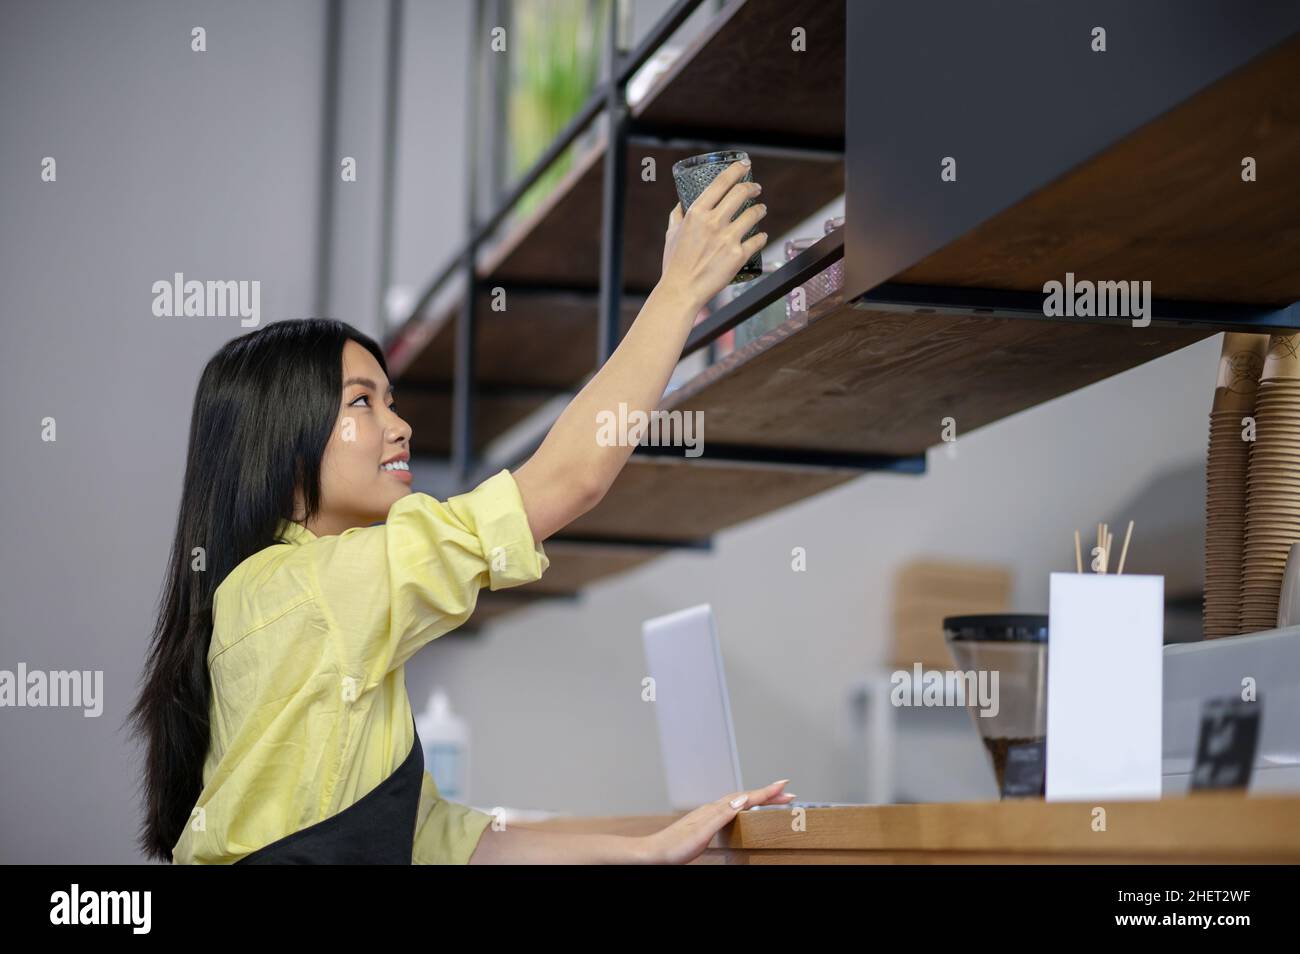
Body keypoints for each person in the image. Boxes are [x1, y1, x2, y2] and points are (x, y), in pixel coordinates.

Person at [130, 158, 794, 864]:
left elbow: (455, 844)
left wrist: (654, 848)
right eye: (361, 402)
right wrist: (681, 290)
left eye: (391, 399)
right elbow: (569, 480)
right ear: (282, 451)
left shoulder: (300, 610)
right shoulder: (317, 591)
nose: (400, 426)